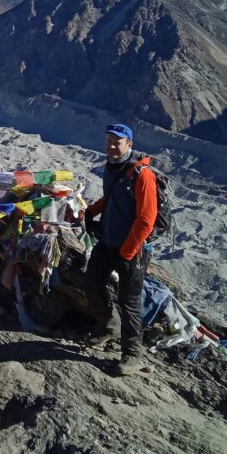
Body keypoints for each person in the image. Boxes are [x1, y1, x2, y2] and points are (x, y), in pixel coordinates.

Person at [70, 123, 157, 376]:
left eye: (117, 141)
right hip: (109, 242)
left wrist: (128, 252)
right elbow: (112, 197)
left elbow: (146, 219)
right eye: (108, 140)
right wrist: (91, 211)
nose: (111, 145)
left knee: (129, 302)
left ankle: (133, 354)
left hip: (132, 251)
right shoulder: (114, 167)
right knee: (92, 282)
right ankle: (110, 324)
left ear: (129, 144)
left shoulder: (142, 175)